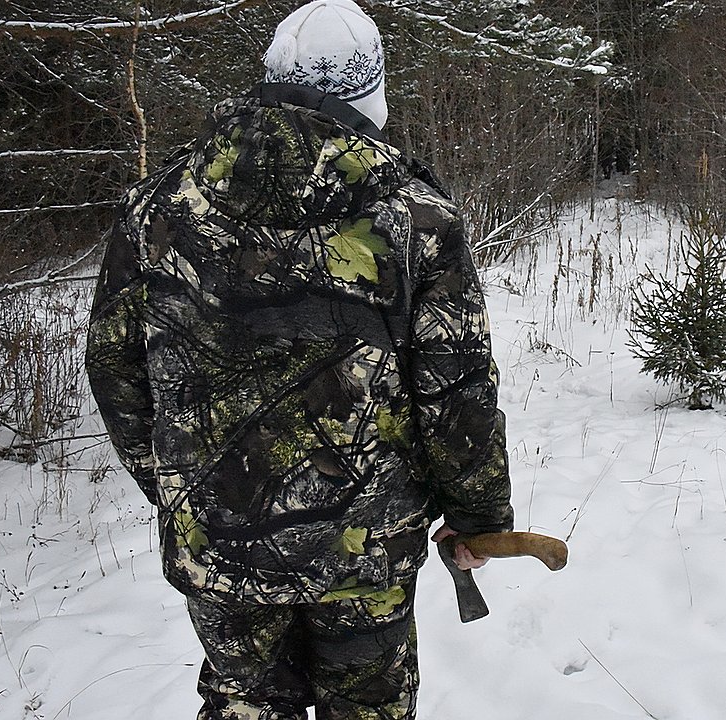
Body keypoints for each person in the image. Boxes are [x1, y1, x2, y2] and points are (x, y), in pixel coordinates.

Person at [84, 1, 514, 717]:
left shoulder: (159, 205)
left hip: (220, 544)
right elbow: (457, 390)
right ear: (370, 92)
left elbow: (114, 370)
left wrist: (184, 489)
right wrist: (478, 515)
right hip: (364, 549)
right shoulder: (416, 216)